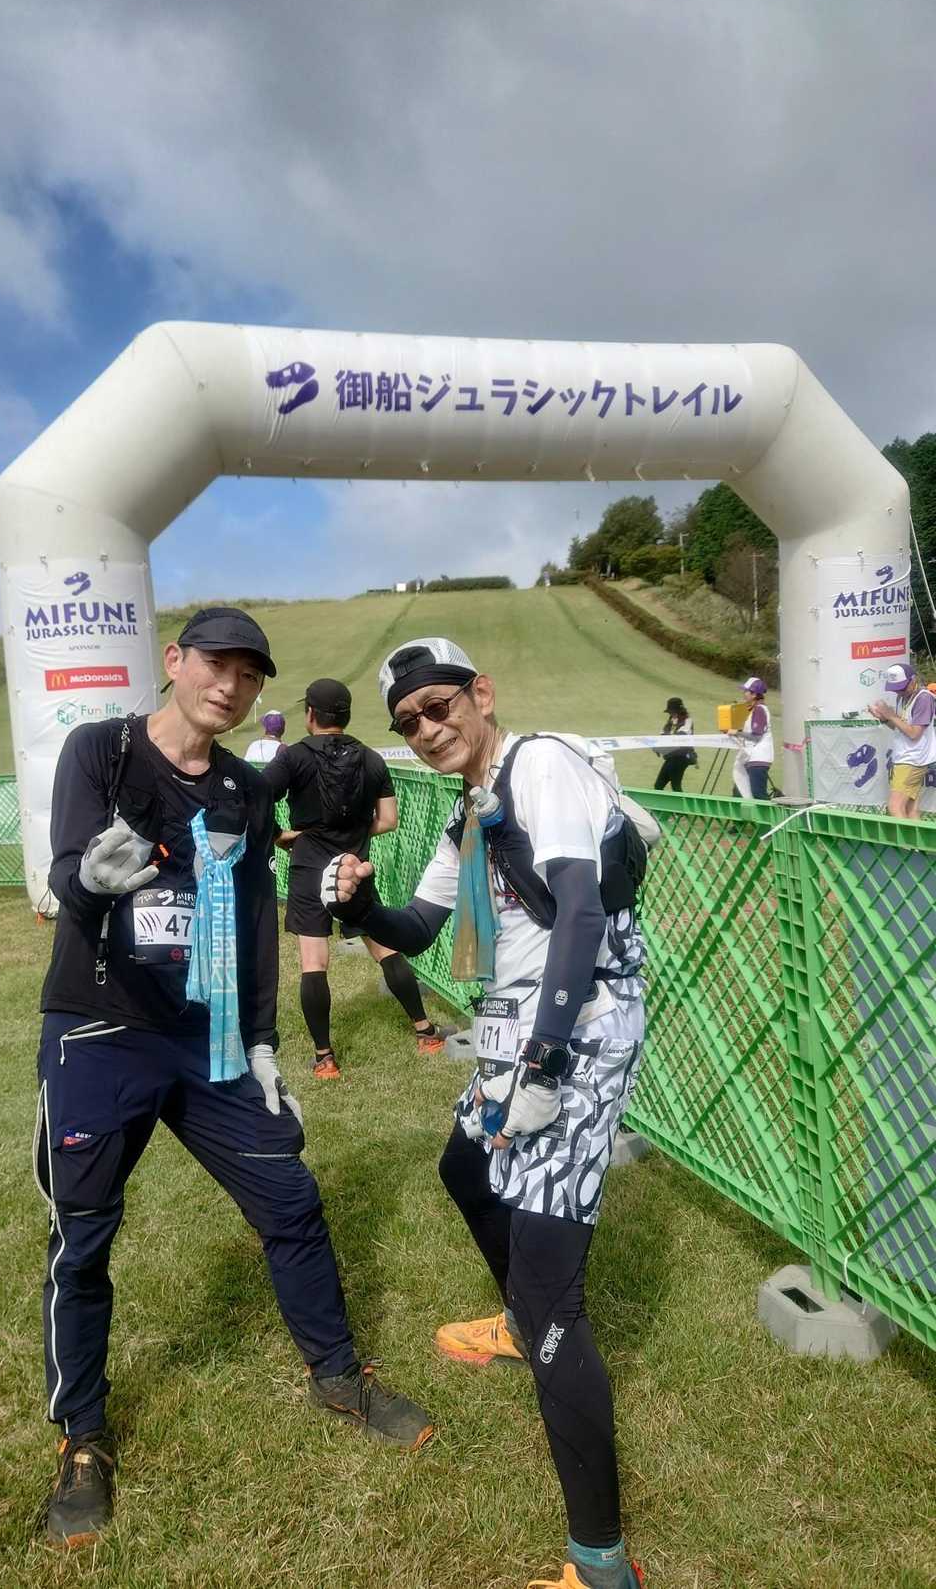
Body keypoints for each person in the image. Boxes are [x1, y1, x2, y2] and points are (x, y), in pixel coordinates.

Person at [35, 608, 432, 1549]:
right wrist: (92, 881)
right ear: (174, 662)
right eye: (216, 664)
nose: (231, 685)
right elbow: (68, 877)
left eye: (251, 675)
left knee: (290, 1198)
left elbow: (257, 921)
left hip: (209, 1036)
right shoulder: (101, 752)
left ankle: (337, 1375)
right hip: (101, 1028)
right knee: (83, 1239)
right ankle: (82, 1439)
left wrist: (261, 1042)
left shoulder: (249, 792)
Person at [321, 637, 647, 1589]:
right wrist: (361, 907)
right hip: (513, 1033)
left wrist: (547, 1058)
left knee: (555, 1306)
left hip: (573, 1034)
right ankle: (519, 1321)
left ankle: (601, 1564)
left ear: (482, 694)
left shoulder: (539, 766)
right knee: (464, 1167)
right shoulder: (470, 808)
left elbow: (580, 914)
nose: (427, 729)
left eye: (438, 706)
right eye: (408, 722)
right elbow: (419, 929)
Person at [264, 677, 449, 1079]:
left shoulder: (293, 757)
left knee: (314, 963)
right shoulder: (371, 759)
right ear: (346, 716)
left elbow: (256, 799)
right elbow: (389, 820)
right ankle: (425, 1032)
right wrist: (356, 835)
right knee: (385, 949)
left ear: (310, 714)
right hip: (354, 869)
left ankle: (325, 1058)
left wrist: (281, 835)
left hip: (309, 867)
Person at [868, 662, 936, 819]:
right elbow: (901, 728)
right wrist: (884, 719)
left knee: (895, 806)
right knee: (911, 809)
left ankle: (905, 837)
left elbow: (914, 734)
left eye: (902, 687)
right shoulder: (902, 697)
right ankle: (918, 836)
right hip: (906, 758)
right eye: (896, 688)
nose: (899, 691)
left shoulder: (924, 698)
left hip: (912, 760)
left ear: (913, 680)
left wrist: (891, 715)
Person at [731, 675, 774, 799]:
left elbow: (756, 737)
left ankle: (770, 812)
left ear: (754, 694)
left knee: (758, 793)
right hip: (751, 756)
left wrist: (736, 732)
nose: (744, 693)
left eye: (746, 691)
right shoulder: (755, 709)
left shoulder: (759, 710)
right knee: (738, 791)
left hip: (758, 757)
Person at [653, 696, 695, 792]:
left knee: (675, 786)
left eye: (672, 711)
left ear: (679, 711)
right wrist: (657, 746)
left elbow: (680, 737)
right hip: (671, 756)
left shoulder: (687, 721)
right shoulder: (671, 720)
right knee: (658, 785)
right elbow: (663, 734)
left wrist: (662, 744)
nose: (671, 714)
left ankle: (683, 802)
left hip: (682, 757)